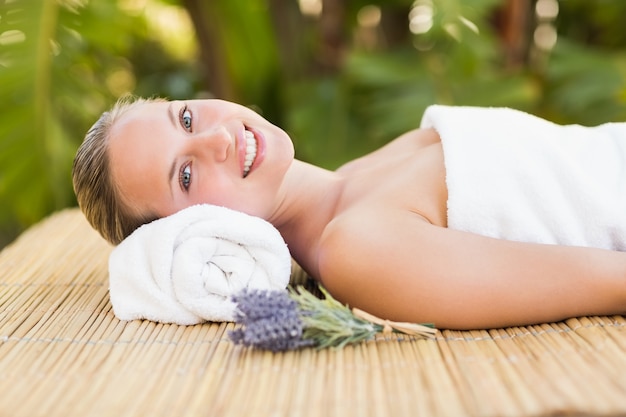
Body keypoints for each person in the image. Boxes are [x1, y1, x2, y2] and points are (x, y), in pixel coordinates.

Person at [72, 96, 626, 330]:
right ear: (191, 230)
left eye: (186, 118)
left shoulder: (360, 175)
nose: (218, 136)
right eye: (185, 176)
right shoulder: (358, 250)